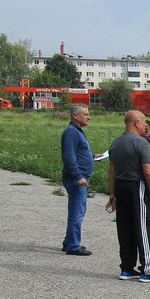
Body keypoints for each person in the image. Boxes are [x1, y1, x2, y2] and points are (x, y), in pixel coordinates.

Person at [105, 110, 150, 283]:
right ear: (136, 123)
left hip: (120, 185)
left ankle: (126, 268)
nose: (146, 125)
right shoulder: (141, 143)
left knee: (125, 227)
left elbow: (111, 170)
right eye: (144, 122)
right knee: (144, 227)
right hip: (136, 186)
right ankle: (147, 269)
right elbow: (148, 171)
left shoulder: (116, 143)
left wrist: (112, 193)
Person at [60, 104, 94, 256]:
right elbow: (69, 157)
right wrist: (78, 176)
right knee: (77, 211)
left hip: (80, 177)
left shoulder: (77, 131)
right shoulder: (71, 132)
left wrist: (93, 157)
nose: (89, 117)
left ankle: (69, 241)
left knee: (77, 210)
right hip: (77, 179)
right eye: (85, 114)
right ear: (75, 115)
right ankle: (73, 245)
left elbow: (79, 154)